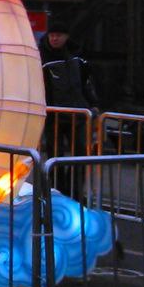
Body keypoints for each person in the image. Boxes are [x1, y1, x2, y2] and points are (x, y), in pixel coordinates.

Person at [38, 16, 99, 197]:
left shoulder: (78, 58)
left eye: (58, 35)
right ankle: (57, 192)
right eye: (52, 35)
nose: (54, 39)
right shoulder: (42, 58)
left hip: (77, 114)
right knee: (55, 156)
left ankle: (76, 192)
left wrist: (93, 103)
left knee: (79, 155)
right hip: (54, 115)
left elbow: (86, 83)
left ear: (66, 37)